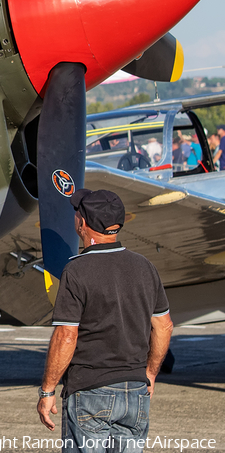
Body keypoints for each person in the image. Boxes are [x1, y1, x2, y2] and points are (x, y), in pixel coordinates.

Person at [37, 189, 173, 452]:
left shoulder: (76, 270)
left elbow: (66, 335)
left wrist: (47, 390)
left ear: (82, 223)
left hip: (90, 390)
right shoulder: (145, 266)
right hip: (135, 391)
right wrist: (150, 374)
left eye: (77, 212)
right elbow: (164, 325)